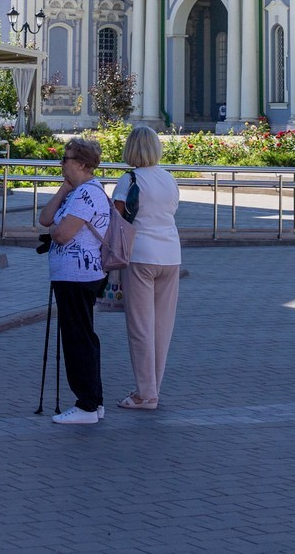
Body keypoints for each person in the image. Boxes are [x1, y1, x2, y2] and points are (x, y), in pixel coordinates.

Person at [41, 137, 112, 424]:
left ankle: (86, 405)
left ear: (82, 164)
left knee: (77, 339)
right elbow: (46, 219)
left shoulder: (88, 195)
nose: (62, 163)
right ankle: (95, 401)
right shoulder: (76, 192)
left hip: (78, 276)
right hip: (71, 276)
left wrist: (58, 226)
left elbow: (60, 234)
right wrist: (63, 189)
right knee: (82, 336)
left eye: (66, 159)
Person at [115, 126, 181, 411]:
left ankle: (146, 394)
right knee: (162, 328)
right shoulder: (169, 178)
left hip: (140, 255)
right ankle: (152, 387)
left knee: (141, 327)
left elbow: (116, 218)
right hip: (171, 254)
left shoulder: (129, 179)